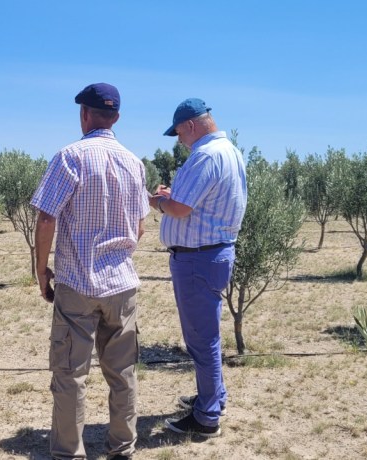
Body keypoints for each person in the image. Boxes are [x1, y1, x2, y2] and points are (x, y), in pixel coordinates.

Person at [31, 83, 149, 460]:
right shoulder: (135, 162)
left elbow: (46, 217)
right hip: (122, 285)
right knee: (123, 373)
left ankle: (69, 452)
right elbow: (141, 227)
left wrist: (41, 270)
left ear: (84, 114)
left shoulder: (70, 157)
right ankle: (123, 447)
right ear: (115, 117)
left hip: (78, 283)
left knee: (70, 374)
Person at [150, 98, 247, 437]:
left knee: (201, 340)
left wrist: (159, 201)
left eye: (178, 132)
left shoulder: (205, 155)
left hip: (197, 258)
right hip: (212, 254)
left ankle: (207, 418)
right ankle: (213, 397)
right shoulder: (229, 151)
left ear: (190, 125)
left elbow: (179, 209)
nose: (178, 140)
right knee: (208, 335)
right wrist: (171, 198)